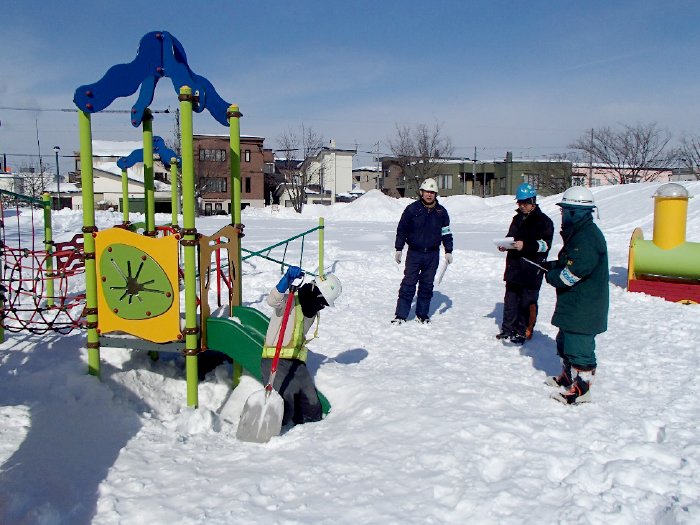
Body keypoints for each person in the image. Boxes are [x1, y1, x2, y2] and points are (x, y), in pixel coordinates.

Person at [544, 187, 609, 404]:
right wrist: (549, 266)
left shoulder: (588, 237)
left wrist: (553, 276)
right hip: (573, 303)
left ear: (576, 212)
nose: (562, 215)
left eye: (565, 211)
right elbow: (568, 261)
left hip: (585, 304)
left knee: (579, 345)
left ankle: (582, 390)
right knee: (565, 340)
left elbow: (575, 271)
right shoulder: (578, 234)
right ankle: (567, 377)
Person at [260, 265, 342, 426]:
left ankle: (308, 439)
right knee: (285, 406)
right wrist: (285, 282)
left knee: (312, 408)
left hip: (297, 364)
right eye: (322, 301)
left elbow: (305, 317)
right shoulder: (290, 300)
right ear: (314, 291)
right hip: (274, 360)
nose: (322, 306)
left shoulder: (311, 310)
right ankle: (271, 437)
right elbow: (273, 300)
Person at [496, 183, 554, 345]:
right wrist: (505, 245)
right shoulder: (516, 219)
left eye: (525, 202)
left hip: (531, 270)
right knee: (511, 301)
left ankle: (522, 332)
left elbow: (545, 245)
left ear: (533, 201)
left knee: (526, 303)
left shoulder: (544, 222)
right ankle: (507, 330)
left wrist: (526, 245)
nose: (522, 206)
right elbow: (511, 237)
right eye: (520, 202)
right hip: (514, 268)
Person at [393, 178, 453, 324]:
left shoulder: (441, 212)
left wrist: (448, 250)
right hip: (415, 253)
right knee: (408, 284)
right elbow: (402, 230)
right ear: (421, 192)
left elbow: (446, 233)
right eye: (427, 192)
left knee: (427, 285)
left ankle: (422, 315)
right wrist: (399, 248)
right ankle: (401, 315)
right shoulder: (412, 209)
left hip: (432, 254)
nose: (429, 195)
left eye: (432, 192)